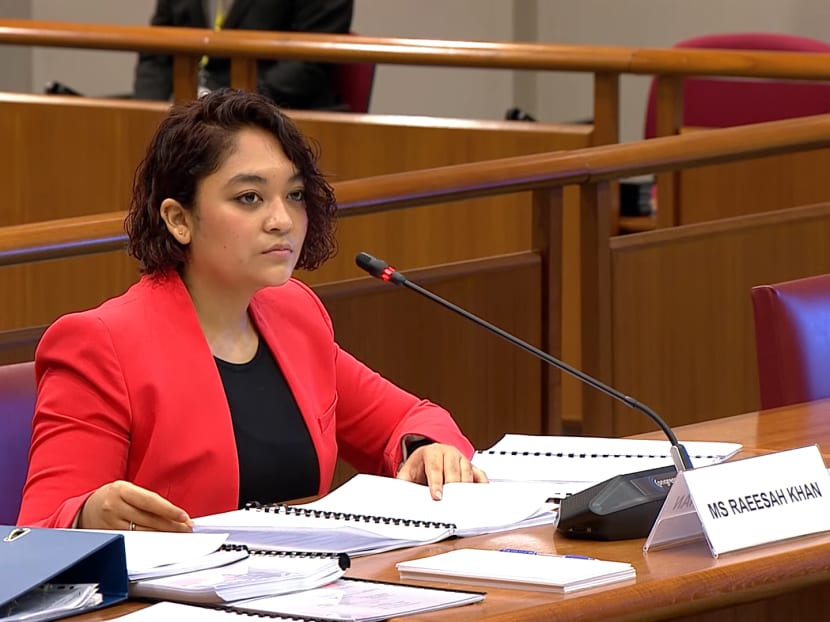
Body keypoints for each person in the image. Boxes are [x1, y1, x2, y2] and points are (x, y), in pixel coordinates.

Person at [17, 88, 487, 532]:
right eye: (249, 198)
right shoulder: (100, 344)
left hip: (304, 592)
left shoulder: (294, 313)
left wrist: (427, 449)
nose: (282, 220)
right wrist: (88, 516)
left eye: (295, 195)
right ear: (179, 219)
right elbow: (37, 534)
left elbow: (410, 418)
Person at [133, 0, 354, 109]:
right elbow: (157, 51)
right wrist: (147, 112)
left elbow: (309, 63)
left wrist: (220, 102)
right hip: (187, 111)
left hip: (279, 112)